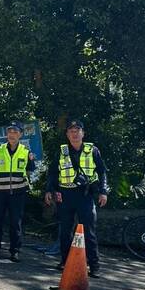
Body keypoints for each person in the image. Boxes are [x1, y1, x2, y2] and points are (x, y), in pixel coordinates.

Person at [45, 119, 109, 278]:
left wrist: (103, 191)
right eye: (71, 131)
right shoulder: (61, 151)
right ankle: (65, 261)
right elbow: (53, 173)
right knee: (65, 231)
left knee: (89, 231)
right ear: (67, 134)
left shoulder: (92, 150)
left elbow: (102, 172)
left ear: (83, 133)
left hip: (85, 195)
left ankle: (94, 265)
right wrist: (49, 190)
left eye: (77, 130)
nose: (74, 133)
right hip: (65, 195)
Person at [0, 122, 35, 262]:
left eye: (15, 132)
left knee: (15, 223)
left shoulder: (26, 152)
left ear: (20, 134)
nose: (12, 135)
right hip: (0, 192)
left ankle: (15, 251)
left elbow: (30, 170)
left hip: (18, 192)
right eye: (10, 132)